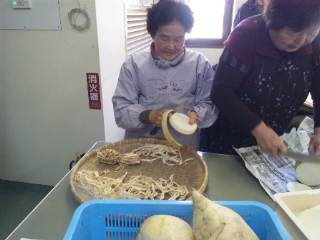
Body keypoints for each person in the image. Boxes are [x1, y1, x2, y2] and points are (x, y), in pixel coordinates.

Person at [200, 0, 320, 156]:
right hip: (226, 139)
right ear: (273, 20)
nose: (302, 41)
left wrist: (318, 130)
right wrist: (259, 129)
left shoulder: (315, 43)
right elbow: (221, 91)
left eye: (311, 32)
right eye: (293, 32)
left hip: (270, 142)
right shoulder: (246, 34)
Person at [112, 0, 218, 149]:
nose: (171, 46)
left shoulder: (199, 64)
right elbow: (121, 108)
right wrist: (148, 116)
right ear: (152, 34)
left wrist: (197, 114)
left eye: (179, 39)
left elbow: (209, 101)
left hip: (183, 145)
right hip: (141, 144)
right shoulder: (134, 65)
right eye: (164, 38)